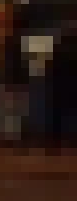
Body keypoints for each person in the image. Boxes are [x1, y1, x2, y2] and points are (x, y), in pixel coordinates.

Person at [0, 16, 30, 149]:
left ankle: (11, 137)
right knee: (15, 111)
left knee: (11, 111)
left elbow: (5, 64)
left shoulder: (10, 42)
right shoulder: (21, 44)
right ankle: (13, 137)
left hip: (12, 81)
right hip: (15, 81)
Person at [44, 19, 77, 154]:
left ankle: (55, 140)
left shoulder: (59, 47)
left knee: (58, 114)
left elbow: (51, 67)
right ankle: (59, 139)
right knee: (64, 113)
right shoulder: (65, 48)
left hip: (60, 85)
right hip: (66, 85)